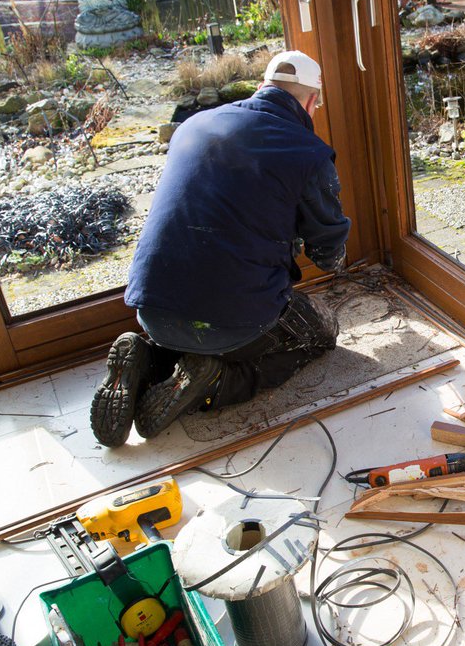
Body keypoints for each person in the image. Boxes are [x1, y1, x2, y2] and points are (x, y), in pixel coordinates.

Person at [90, 50, 351, 447]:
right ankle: (218, 381)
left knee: (198, 317)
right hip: (230, 321)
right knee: (319, 334)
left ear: (261, 86)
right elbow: (327, 255)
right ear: (313, 101)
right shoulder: (307, 153)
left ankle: (149, 359)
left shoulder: (193, 125)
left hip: (152, 310)